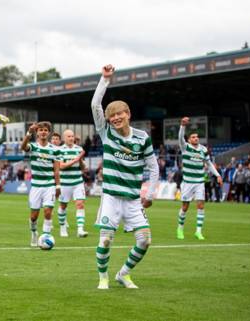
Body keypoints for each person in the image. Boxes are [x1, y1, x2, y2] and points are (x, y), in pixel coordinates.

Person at [91, 64, 159, 289]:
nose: (116, 118)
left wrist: (150, 193)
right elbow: (95, 105)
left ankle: (123, 273)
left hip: (132, 199)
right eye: (112, 115)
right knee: (106, 239)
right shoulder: (106, 132)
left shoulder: (142, 137)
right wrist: (105, 79)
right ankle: (103, 277)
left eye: (120, 113)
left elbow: (153, 166)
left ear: (128, 114)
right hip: (111, 196)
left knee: (145, 240)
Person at [177, 117, 223, 240]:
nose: (196, 138)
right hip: (187, 183)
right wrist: (182, 125)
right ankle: (180, 229)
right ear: (189, 139)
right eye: (193, 137)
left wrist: (217, 175)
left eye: (197, 137)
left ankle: (198, 231)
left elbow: (209, 164)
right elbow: (180, 137)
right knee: (185, 207)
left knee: (201, 206)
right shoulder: (185, 147)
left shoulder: (203, 150)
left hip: (199, 183)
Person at [20, 122, 60, 247]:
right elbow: (23, 147)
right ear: (37, 133)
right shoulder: (33, 147)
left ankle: (45, 237)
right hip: (36, 186)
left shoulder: (54, 149)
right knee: (34, 216)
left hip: (49, 185)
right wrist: (28, 133)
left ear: (48, 133)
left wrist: (58, 185)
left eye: (45, 130)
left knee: (48, 212)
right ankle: (34, 233)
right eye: (41, 130)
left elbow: (57, 170)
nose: (43, 132)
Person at [56, 129, 88, 238]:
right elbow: (61, 166)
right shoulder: (60, 150)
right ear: (64, 138)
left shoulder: (79, 149)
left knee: (80, 204)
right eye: (69, 136)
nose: (71, 138)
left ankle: (80, 230)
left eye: (72, 136)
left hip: (78, 182)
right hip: (65, 183)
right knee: (63, 205)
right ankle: (63, 227)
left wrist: (81, 161)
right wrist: (75, 159)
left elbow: (84, 168)